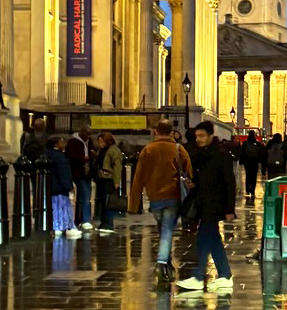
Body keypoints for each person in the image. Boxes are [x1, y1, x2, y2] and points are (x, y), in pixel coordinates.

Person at [130, 119, 193, 291]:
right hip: (173, 195)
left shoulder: (148, 150)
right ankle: (161, 263)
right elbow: (188, 171)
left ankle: (167, 264)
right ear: (172, 132)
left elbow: (138, 177)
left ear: (156, 132)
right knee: (166, 231)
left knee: (163, 230)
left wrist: (134, 203)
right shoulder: (178, 149)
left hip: (155, 197)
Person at [176, 119, 237, 294]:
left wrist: (230, 209)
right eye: (197, 136)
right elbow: (203, 178)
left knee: (203, 239)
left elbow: (230, 183)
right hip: (205, 202)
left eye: (202, 136)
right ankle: (225, 275)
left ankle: (198, 277)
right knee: (214, 240)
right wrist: (193, 183)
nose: (199, 139)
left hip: (215, 204)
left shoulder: (220, 154)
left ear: (211, 135)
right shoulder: (203, 154)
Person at [45, 132, 79, 236]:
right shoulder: (60, 157)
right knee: (63, 207)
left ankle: (56, 227)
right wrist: (69, 186)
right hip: (60, 188)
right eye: (61, 142)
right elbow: (63, 173)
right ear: (55, 144)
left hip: (52, 187)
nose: (64, 144)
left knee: (55, 208)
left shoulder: (48, 155)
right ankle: (64, 227)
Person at [93, 131, 123, 233]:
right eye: (99, 142)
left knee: (108, 202)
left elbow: (117, 166)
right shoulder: (102, 150)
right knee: (102, 201)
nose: (100, 144)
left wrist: (116, 181)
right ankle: (104, 222)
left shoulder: (113, 150)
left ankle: (109, 223)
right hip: (101, 178)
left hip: (108, 179)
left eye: (102, 142)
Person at [66, 128, 93, 229]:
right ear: (81, 132)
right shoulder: (73, 142)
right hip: (78, 172)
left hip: (88, 172)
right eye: (87, 134)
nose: (89, 137)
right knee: (85, 195)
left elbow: (92, 151)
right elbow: (70, 156)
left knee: (84, 196)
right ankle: (86, 220)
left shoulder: (89, 141)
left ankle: (79, 218)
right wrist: (82, 158)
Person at [239, 129, 264, 202]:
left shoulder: (245, 143)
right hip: (254, 162)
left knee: (248, 176)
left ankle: (247, 190)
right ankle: (252, 190)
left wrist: (241, 161)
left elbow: (242, 153)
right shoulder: (257, 143)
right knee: (254, 177)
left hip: (247, 162)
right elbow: (260, 153)